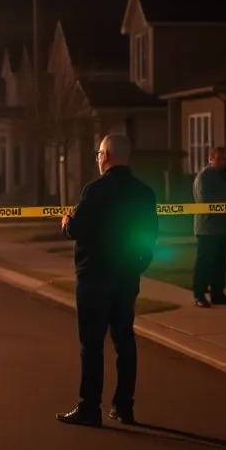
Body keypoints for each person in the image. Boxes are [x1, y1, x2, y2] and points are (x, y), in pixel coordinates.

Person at [56, 133, 159, 427]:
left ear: (106, 156)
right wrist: (140, 263)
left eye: (99, 153)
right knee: (124, 340)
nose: (98, 158)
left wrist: (66, 222)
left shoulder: (95, 190)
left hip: (93, 277)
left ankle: (90, 407)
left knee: (92, 344)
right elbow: (150, 234)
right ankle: (124, 406)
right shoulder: (144, 193)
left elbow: (77, 228)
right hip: (126, 276)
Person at [192, 146, 226, 308]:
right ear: (211, 159)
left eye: (225, 159)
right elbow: (204, 200)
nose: (224, 162)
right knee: (205, 261)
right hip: (208, 227)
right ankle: (199, 294)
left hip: (222, 228)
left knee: (220, 262)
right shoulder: (203, 177)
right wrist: (224, 200)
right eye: (220, 159)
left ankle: (218, 294)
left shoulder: (224, 176)